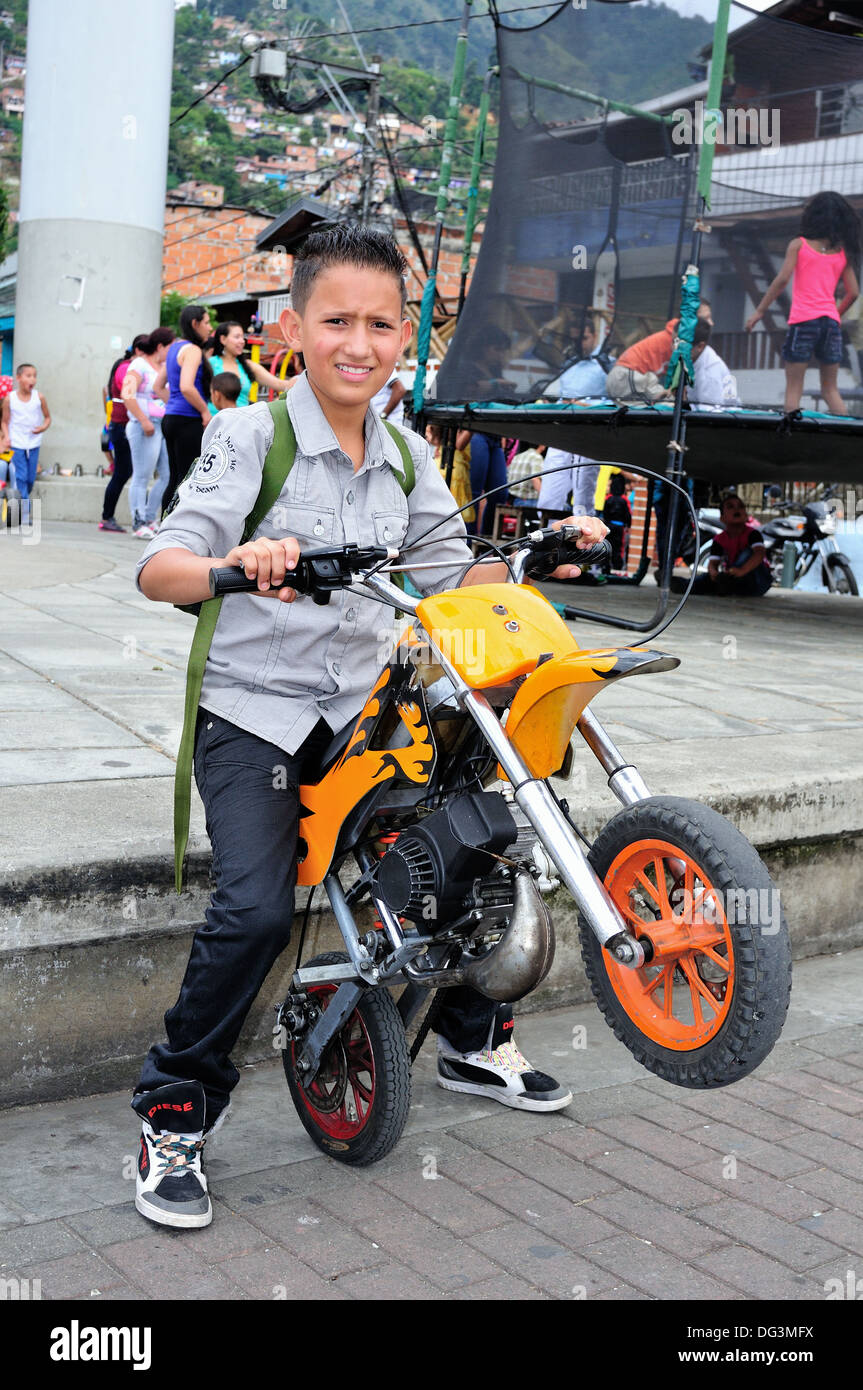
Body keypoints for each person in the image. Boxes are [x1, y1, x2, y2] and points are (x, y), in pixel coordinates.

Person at [129, 223, 608, 1230]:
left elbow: (451, 573)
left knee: (480, 826)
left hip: (360, 711)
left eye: (381, 323)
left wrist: (538, 552)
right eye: (336, 319)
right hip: (254, 716)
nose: (359, 342)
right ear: (294, 326)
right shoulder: (248, 437)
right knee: (257, 912)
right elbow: (159, 568)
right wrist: (239, 563)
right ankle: (174, 1110)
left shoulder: (400, 453)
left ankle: (474, 1039)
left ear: (404, 337)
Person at [745, 190, 861, 415]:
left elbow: (782, 280)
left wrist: (759, 311)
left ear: (813, 216)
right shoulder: (842, 253)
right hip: (830, 324)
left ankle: (792, 436)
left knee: (794, 388)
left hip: (804, 321)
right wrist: (835, 314)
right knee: (831, 390)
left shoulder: (799, 245)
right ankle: (847, 438)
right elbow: (853, 293)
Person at [158, 304, 212, 514]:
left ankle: (163, 526)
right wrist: (204, 411)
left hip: (171, 418)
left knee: (174, 477)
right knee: (188, 479)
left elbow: (158, 385)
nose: (209, 328)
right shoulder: (193, 350)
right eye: (206, 323)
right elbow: (187, 387)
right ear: (195, 324)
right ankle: (174, 530)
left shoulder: (173, 348)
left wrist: (173, 403)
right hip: (187, 420)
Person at [122, 327, 174, 539]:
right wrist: (143, 420)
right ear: (160, 346)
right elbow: (128, 394)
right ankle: (138, 520)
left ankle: (151, 518)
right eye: (170, 347)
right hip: (144, 425)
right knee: (142, 475)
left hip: (161, 424)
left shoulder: (163, 367)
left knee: (167, 474)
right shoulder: (139, 364)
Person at [606, 302, 713, 404]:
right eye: (706, 318)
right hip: (629, 374)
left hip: (636, 377)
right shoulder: (681, 339)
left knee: (666, 406)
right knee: (664, 409)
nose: (711, 322)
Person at [99, 336, 149, 533]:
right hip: (121, 426)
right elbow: (128, 390)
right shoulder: (127, 368)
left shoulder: (130, 366)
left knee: (125, 472)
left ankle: (108, 516)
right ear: (138, 350)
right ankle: (106, 517)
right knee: (122, 472)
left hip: (124, 426)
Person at [690, 492, 772, 596]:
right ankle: (685, 585)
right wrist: (713, 573)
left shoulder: (753, 534)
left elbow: (759, 554)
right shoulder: (719, 539)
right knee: (705, 579)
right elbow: (713, 563)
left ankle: (726, 585)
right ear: (722, 518)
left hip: (757, 580)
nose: (736, 510)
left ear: (746, 516)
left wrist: (741, 570)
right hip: (734, 578)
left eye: (740, 507)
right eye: (730, 507)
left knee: (748, 553)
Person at [207, 321, 299, 410]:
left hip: (240, 420)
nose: (242, 341)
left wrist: (299, 380)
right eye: (237, 337)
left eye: (242, 337)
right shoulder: (210, 363)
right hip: (215, 419)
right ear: (223, 339)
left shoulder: (248, 366)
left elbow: (279, 384)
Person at [0, 363, 51, 524]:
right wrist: (7, 437)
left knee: (30, 478)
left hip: (34, 442)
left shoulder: (39, 397)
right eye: (28, 375)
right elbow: (4, 421)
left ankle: (19, 501)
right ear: (19, 378)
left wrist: (43, 427)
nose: (32, 379)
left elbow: (48, 417)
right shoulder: (10, 399)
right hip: (17, 442)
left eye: (34, 376)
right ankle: (24, 513)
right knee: (21, 476)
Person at [424, 421, 474, 524]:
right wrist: (472, 426)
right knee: (454, 514)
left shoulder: (443, 418)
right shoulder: (462, 421)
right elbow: (459, 445)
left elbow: (432, 437)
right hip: (455, 467)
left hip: (439, 465)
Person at [558, 315, 613, 399]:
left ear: (595, 336)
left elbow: (615, 400)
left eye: (584, 338)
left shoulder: (608, 365)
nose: (579, 344)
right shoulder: (568, 364)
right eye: (575, 340)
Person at [602, 471, 633, 571]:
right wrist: (628, 525)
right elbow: (628, 515)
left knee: (606, 546)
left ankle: (605, 566)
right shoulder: (624, 500)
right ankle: (617, 567)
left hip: (608, 526)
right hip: (619, 527)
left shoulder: (608, 499)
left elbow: (605, 513)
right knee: (618, 548)